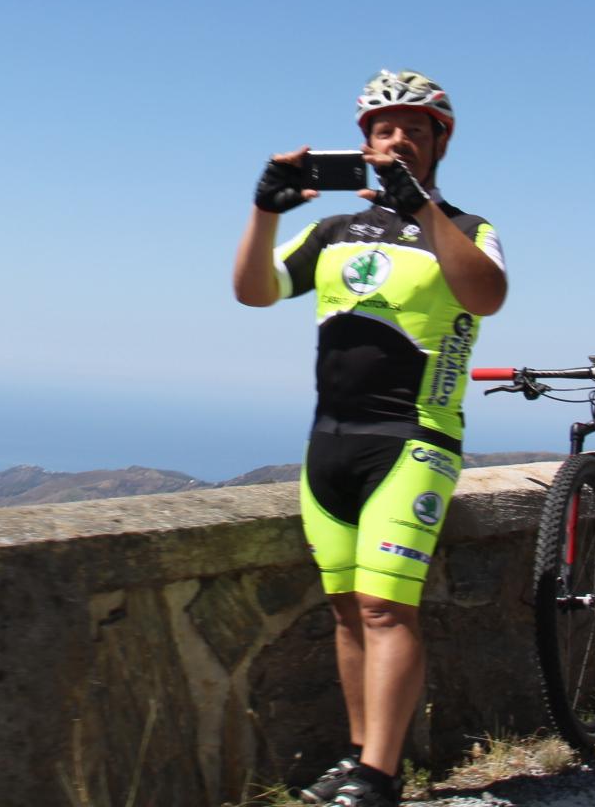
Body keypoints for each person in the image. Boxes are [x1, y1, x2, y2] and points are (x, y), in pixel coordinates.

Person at [232, 69, 507, 807]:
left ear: (440, 143)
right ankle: (360, 758)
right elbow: (254, 290)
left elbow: (486, 295)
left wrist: (423, 210)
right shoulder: (332, 232)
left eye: (415, 129)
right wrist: (263, 210)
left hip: (413, 439)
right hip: (329, 442)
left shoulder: (467, 230)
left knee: (387, 608)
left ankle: (380, 779)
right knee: (348, 610)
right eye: (385, 129)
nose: (399, 140)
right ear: (364, 144)